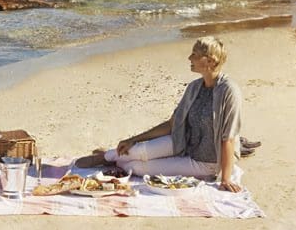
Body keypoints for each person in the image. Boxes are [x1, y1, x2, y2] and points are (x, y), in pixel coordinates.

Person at [75, 36, 245, 192]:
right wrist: (134, 139)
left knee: (138, 167)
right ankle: (106, 157)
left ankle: (113, 160)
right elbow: (172, 124)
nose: (189, 58)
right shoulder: (194, 87)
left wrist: (225, 179)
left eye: (194, 54)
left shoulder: (229, 91)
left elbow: (228, 138)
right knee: (136, 150)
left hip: (204, 162)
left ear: (209, 61)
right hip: (182, 142)